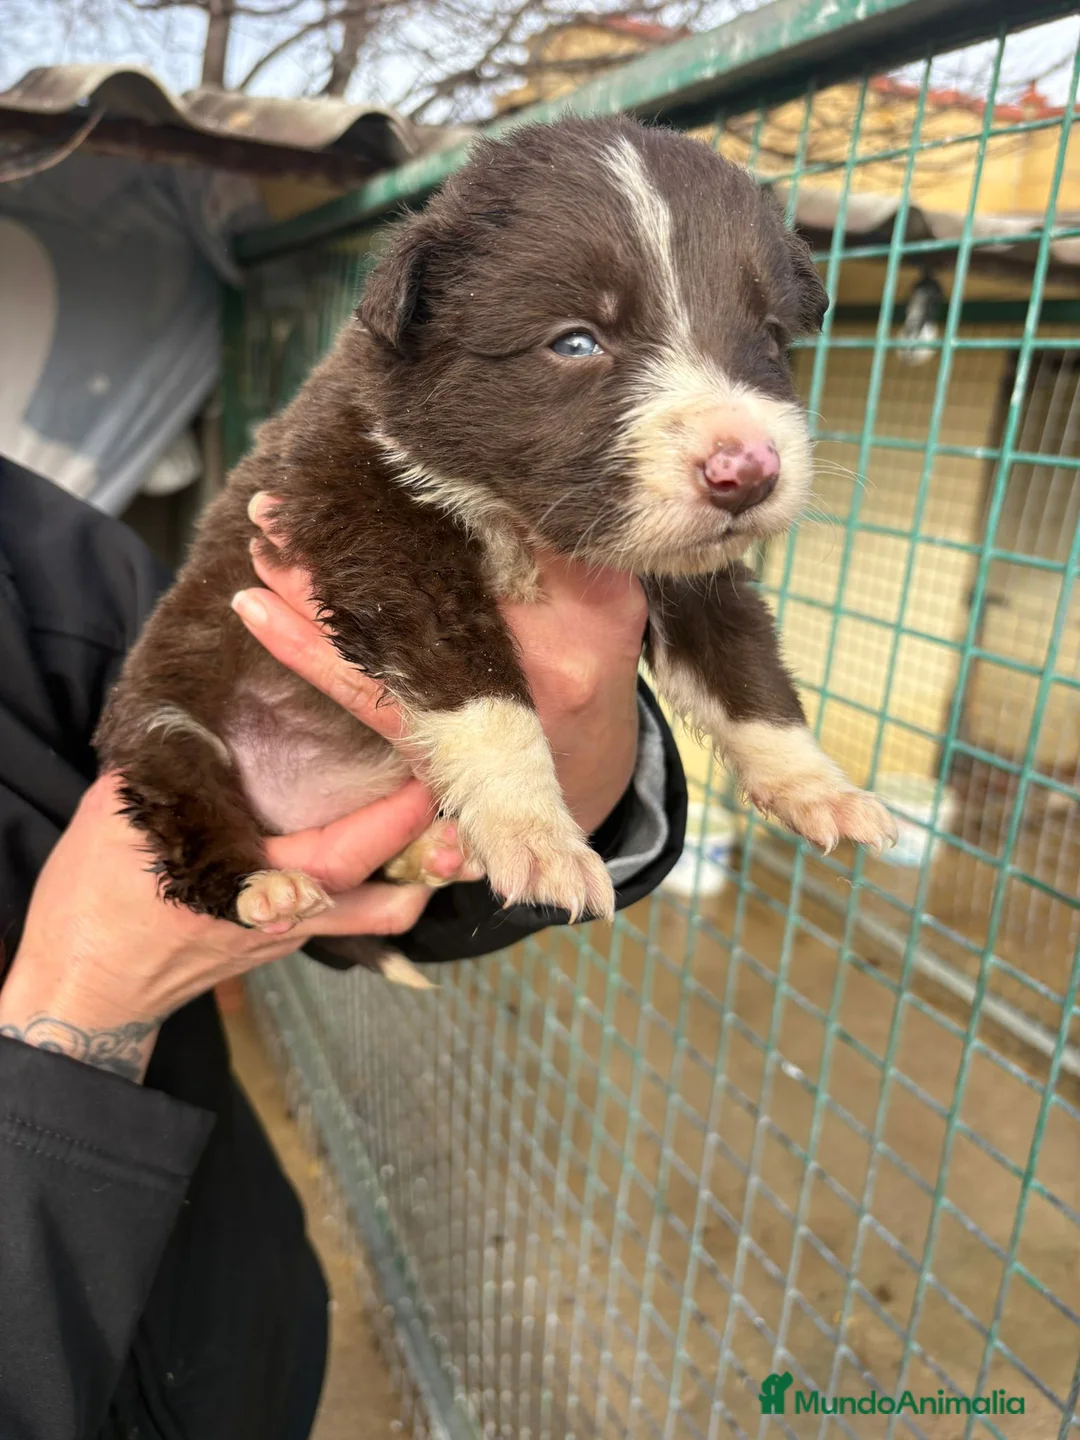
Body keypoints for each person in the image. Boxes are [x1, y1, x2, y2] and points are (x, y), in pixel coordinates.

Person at [0, 454, 687, 1440]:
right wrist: (93, 990)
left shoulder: (28, 553)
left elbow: (235, 671)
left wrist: (576, 779)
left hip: (233, 1337)